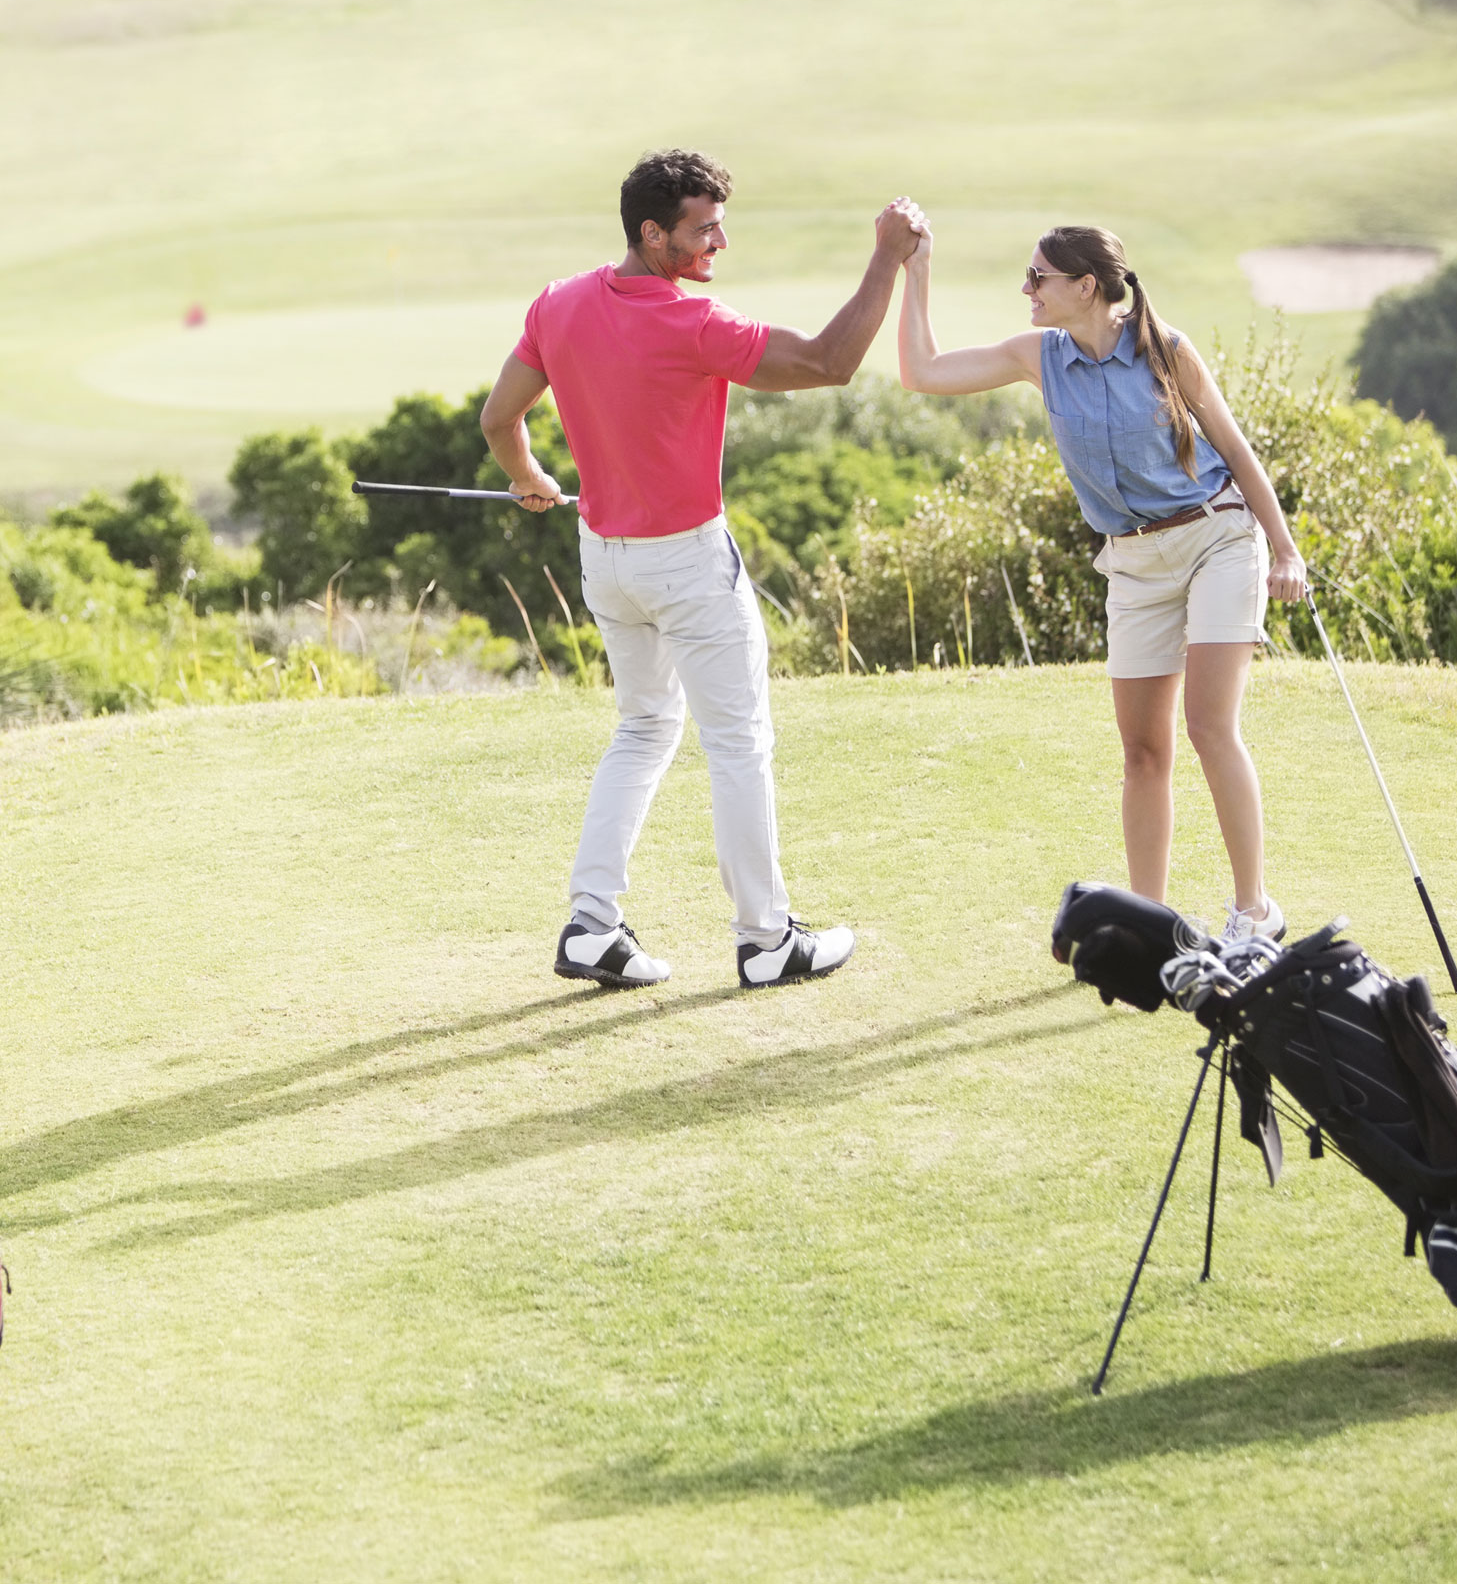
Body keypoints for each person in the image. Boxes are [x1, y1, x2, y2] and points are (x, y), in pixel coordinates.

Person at [481, 148, 919, 990]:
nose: (720, 241)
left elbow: (502, 417)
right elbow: (832, 362)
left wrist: (531, 480)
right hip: (686, 564)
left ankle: (591, 926)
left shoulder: (558, 303)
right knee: (739, 743)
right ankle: (767, 939)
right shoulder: (696, 324)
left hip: (605, 561)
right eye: (702, 229)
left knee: (644, 729)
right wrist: (887, 257)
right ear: (652, 235)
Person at [888, 209, 1312, 939]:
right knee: (1143, 751)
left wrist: (1284, 549)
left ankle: (1254, 911)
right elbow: (921, 373)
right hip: (1134, 561)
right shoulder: (1039, 354)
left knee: (1210, 724)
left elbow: (1238, 454)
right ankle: (1149, 923)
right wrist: (915, 267)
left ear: (1085, 286)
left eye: (1037, 278)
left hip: (1216, 536)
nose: (1026, 289)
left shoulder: (1166, 350)